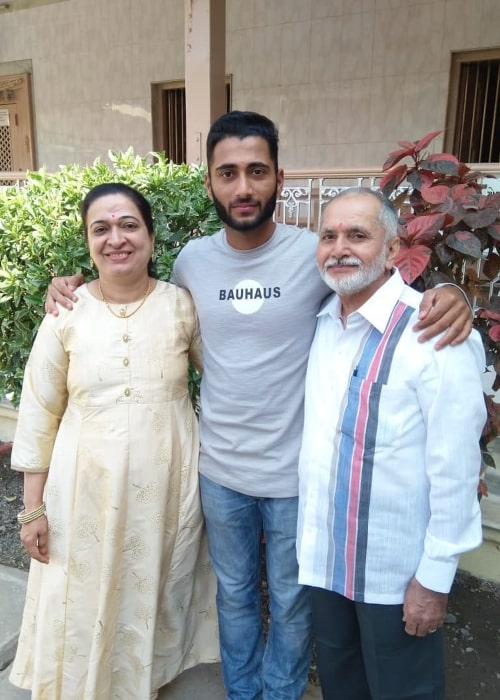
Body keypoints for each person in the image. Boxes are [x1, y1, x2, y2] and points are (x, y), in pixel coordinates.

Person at [45, 112, 473, 700]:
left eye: (256, 171)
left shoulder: (317, 255)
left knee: (296, 604)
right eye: (228, 173)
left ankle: (282, 692)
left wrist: (450, 296)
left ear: (279, 178)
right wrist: (66, 284)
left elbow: (377, 292)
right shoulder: (191, 262)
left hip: (297, 474)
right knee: (236, 596)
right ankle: (244, 693)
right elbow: (142, 307)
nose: (243, 187)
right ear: (210, 184)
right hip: (219, 472)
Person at [10, 183, 219, 700]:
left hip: (165, 487)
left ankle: (140, 685)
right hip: (82, 489)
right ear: (87, 241)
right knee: (78, 594)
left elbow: (224, 376)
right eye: (100, 229)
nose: (116, 239)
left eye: (129, 225)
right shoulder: (66, 313)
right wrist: (31, 510)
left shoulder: (181, 307)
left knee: (150, 589)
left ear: (151, 236)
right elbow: (40, 411)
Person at [297, 188, 486, 700]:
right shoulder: (322, 323)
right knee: (343, 688)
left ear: (393, 246)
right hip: (326, 563)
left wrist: (435, 577)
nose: (340, 248)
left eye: (358, 235)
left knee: (405, 692)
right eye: (329, 236)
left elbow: (456, 466)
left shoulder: (433, 331)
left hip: (395, 574)